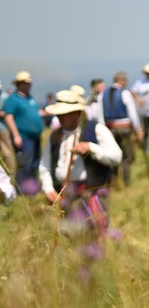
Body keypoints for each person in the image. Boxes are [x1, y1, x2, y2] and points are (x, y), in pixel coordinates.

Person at [39, 90, 122, 237]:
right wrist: (48, 188)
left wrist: (91, 148)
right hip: (63, 194)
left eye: (65, 114)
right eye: (59, 114)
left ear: (77, 113)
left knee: (95, 234)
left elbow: (116, 156)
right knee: (67, 235)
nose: (60, 117)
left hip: (90, 192)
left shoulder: (96, 129)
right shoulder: (55, 135)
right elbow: (44, 166)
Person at [98, 71, 142, 186]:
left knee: (113, 155)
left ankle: (113, 181)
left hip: (109, 128)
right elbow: (132, 114)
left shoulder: (103, 94)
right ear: (122, 80)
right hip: (124, 128)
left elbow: (100, 114)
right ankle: (126, 181)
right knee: (127, 156)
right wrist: (138, 129)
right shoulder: (125, 93)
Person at [4, 71, 44, 193]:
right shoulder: (13, 99)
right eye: (26, 83)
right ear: (19, 84)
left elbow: (36, 113)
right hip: (24, 136)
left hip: (35, 137)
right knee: (25, 164)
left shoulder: (30, 98)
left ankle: (32, 188)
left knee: (34, 163)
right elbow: (9, 117)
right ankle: (21, 190)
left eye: (29, 83)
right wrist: (16, 135)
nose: (28, 85)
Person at [0, 81, 16, 175]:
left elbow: (8, 112)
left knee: (7, 151)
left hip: (3, 128)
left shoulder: (5, 97)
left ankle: (9, 172)